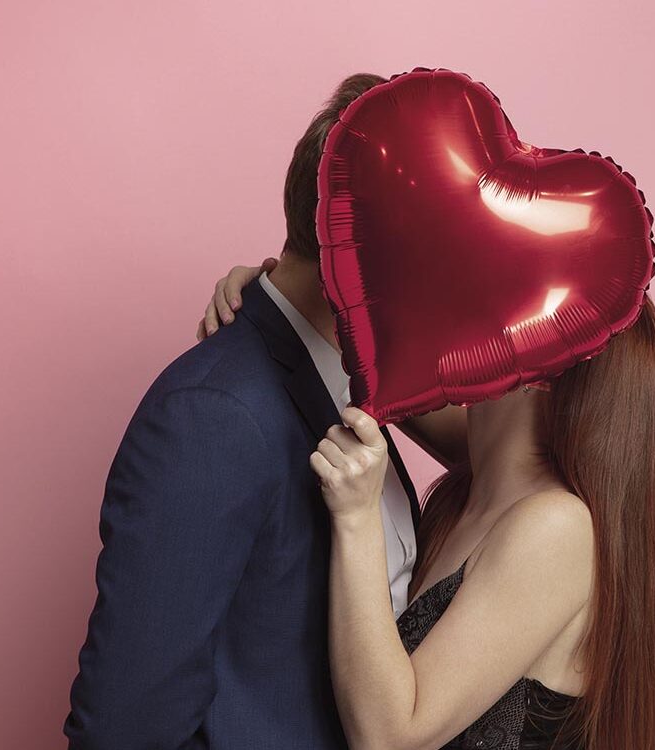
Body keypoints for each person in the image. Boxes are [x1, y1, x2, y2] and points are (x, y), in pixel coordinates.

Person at [64, 73, 467, 750]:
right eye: (430, 250)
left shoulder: (348, 375)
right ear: (362, 249)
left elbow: (501, 453)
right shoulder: (213, 416)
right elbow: (124, 727)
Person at [203, 261, 655, 748]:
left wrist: (357, 517)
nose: (468, 318)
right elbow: (364, 362)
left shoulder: (555, 525)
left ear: (541, 374)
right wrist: (281, 293)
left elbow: (390, 738)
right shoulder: (477, 490)